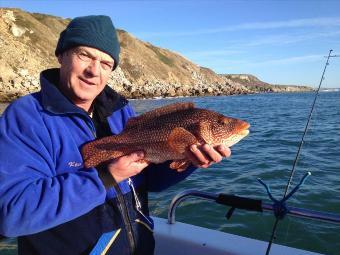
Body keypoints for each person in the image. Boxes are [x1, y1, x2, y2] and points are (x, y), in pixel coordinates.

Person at [0, 15, 231, 255]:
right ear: (61, 55)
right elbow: (11, 214)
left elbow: (150, 181)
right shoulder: (27, 117)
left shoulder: (119, 112)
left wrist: (188, 159)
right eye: (84, 55)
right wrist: (105, 177)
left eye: (105, 63)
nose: (93, 71)